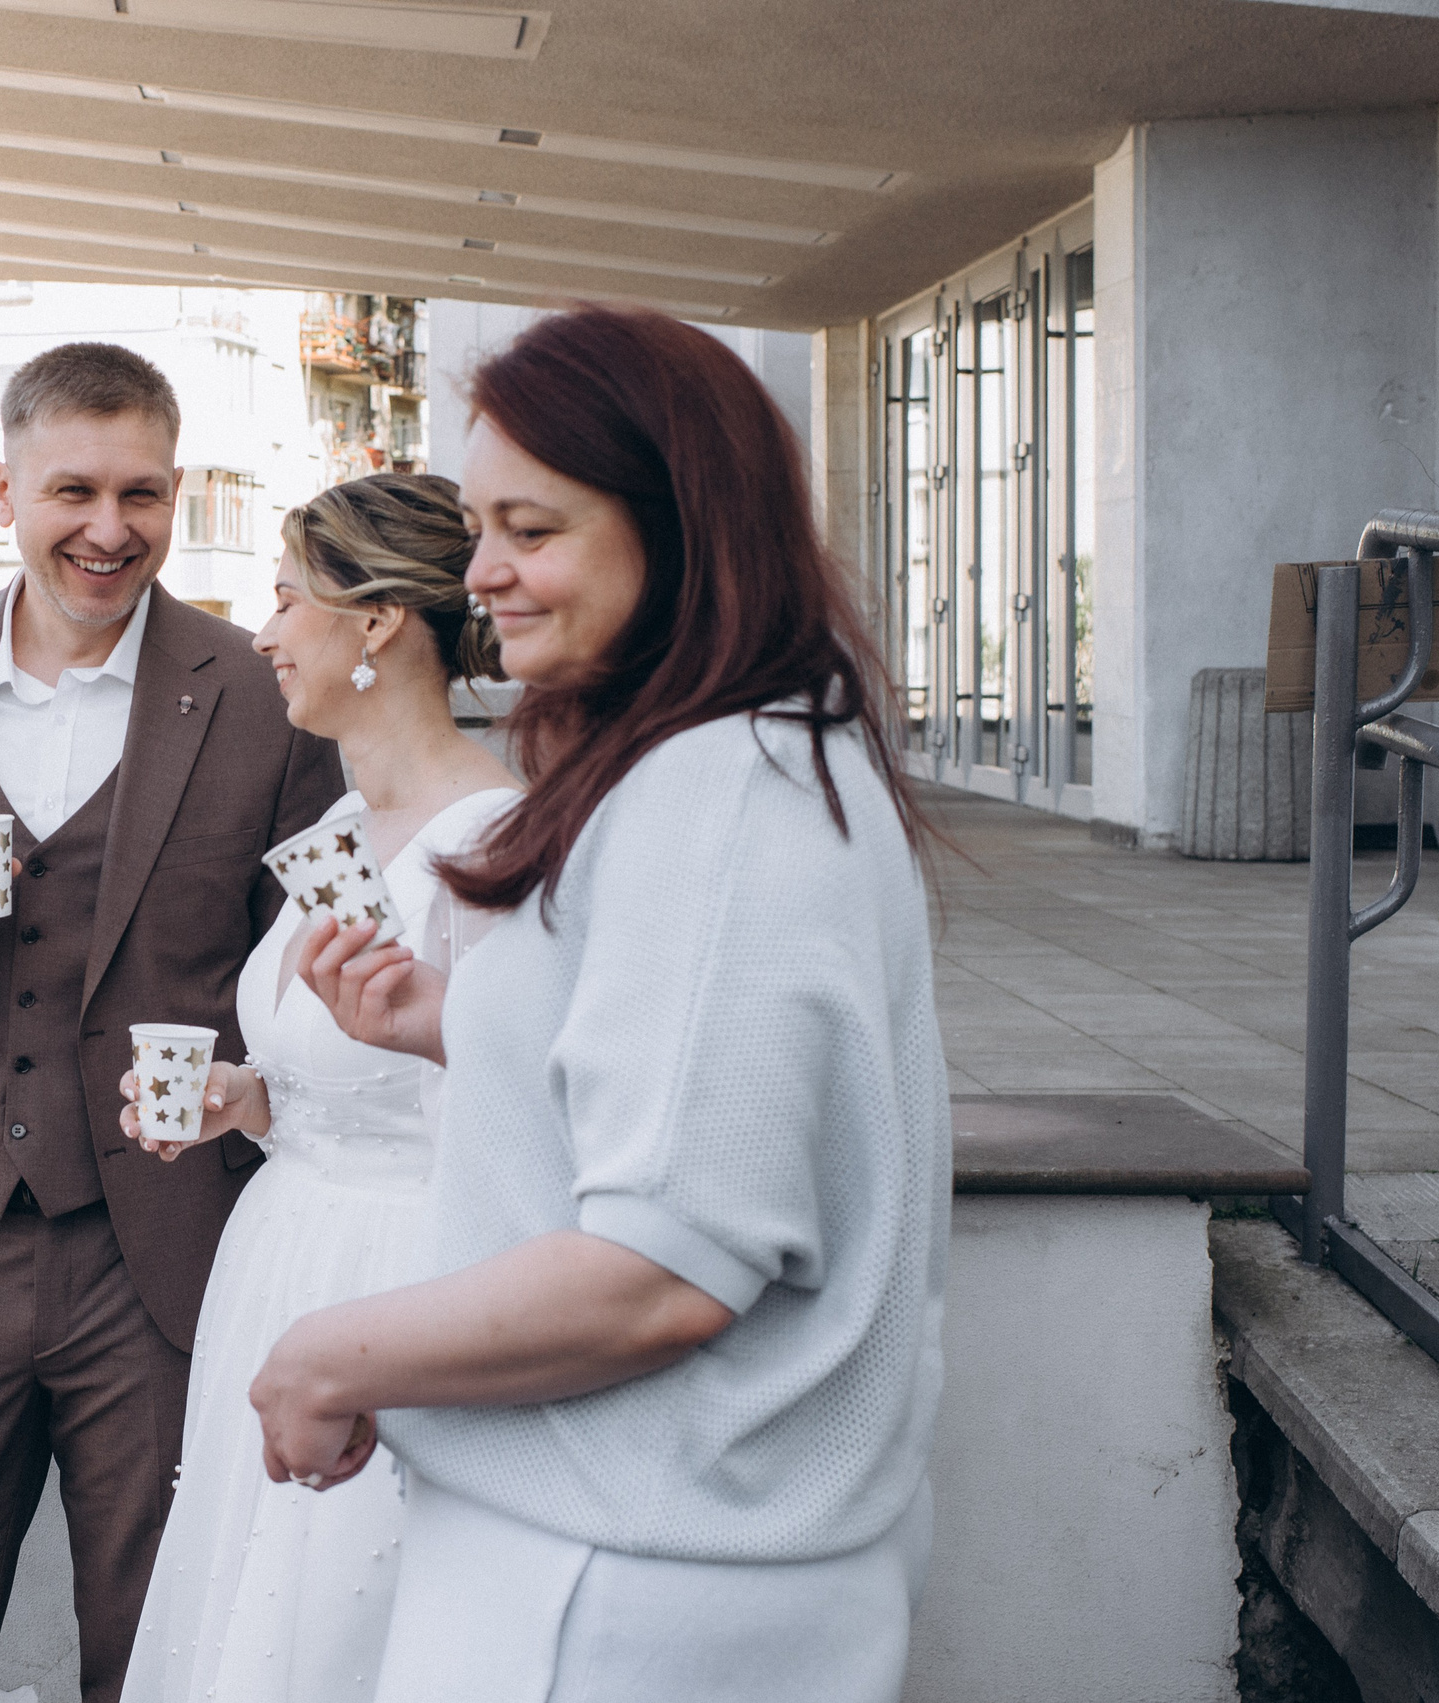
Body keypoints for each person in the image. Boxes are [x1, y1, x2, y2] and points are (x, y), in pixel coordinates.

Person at [251, 307, 952, 1703]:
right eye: (477, 525)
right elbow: (683, 1076)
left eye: (533, 527)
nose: (486, 572)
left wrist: (328, 1350)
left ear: (680, 526)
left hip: (629, 1588)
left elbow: (665, 1267)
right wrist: (447, 1019)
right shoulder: (712, 763)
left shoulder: (723, 794)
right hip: (618, 1554)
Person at [0, 343, 346, 1703]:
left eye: (142, 492)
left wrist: (265, 1087)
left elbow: (331, 952)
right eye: (73, 490)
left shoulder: (264, 689)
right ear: (3, 487)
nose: (109, 528)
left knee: (158, 1644)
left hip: (162, 1249)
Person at [112, 473, 520, 1703]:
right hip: (280, 1259)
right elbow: (356, 1068)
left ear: (378, 622)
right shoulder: (344, 820)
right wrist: (244, 1097)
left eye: (287, 599)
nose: (263, 632)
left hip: (403, 1273)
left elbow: (518, 1108)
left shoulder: (498, 840)